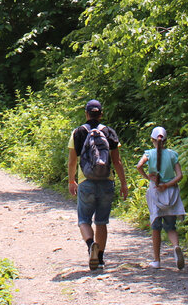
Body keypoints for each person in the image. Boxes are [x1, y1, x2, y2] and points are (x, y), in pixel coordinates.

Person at [67, 99, 129, 270]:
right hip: (106, 182)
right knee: (101, 222)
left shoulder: (78, 132)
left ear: (86, 114)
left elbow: (72, 161)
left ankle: (90, 246)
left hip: (86, 181)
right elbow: (117, 161)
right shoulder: (109, 132)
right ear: (101, 114)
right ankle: (100, 259)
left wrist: (71, 180)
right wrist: (124, 184)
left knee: (84, 220)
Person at [136, 125, 185, 269]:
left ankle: (157, 261)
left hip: (155, 191)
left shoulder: (149, 154)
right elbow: (180, 175)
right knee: (171, 226)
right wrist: (167, 185)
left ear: (152, 140)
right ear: (165, 140)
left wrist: (147, 176)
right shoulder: (172, 154)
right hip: (171, 193)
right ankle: (176, 247)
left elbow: (139, 166)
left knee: (156, 227)